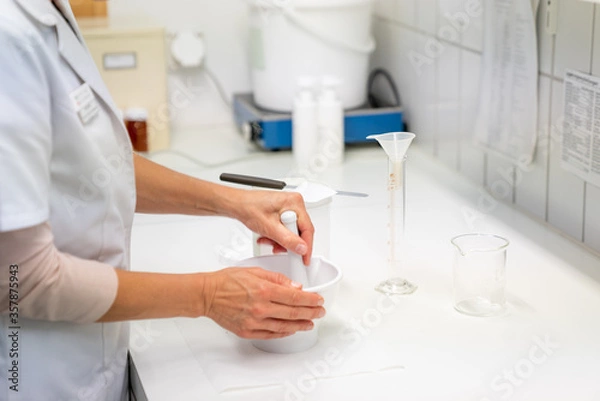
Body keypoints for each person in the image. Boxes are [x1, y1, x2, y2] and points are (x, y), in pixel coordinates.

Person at [0, 1, 325, 399]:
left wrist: (236, 202)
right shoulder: (9, 35)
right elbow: (19, 280)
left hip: (87, 359)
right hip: (32, 377)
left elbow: (95, 164)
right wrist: (208, 296)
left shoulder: (48, 12)